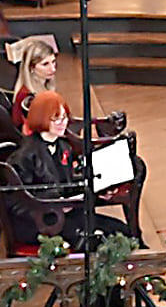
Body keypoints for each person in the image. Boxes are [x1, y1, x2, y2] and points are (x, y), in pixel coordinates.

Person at [9, 92, 136, 249]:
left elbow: (68, 185)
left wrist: (97, 189)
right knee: (102, 239)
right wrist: (57, 204)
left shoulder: (63, 146)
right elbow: (17, 203)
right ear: (41, 118)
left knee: (122, 231)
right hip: (42, 223)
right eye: (56, 118)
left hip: (67, 214)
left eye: (64, 117)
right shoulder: (24, 156)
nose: (63, 123)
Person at [9, 35, 60, 132]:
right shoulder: (28, 98)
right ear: (31, 68)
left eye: (53, 62)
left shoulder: (43, 87)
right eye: (45, 64)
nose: (53, 69)